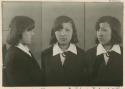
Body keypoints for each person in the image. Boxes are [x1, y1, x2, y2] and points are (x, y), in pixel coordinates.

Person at [41, 16, 87, 86]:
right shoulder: (45, 54)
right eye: (59, 30)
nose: (62, 34)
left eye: (67, 30)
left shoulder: (82, 55)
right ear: (54, 32)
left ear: (73, 32)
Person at [4, 16, 42, 86]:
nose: (33, 33)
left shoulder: (23, 50)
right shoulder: (14, 56)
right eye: (29, 30)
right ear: (19, 31)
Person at [85, 16, 123, 86]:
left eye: (104, 30)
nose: (100, 34)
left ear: (114, 32)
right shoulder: (88, 54)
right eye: (98, 30)